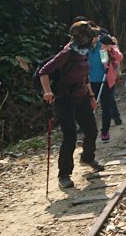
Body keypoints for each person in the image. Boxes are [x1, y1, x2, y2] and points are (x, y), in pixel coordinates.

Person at [39, 21, 105, 189]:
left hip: (82, 97)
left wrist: (90, 95)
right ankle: (64, 174)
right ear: (84, 37)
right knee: (70, 137)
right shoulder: (67, 53)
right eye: (91, 35)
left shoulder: (84, 51)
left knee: (91, 131)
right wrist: (47, 91)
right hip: (65, 100)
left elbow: (85, 76)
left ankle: (88, 158)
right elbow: (44, 71)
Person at [89, 30, 123, 142]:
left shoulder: (104, 45)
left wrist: (110, 49)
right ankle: (88, 132)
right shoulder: (84, 48)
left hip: (105, 81)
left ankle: (105, 131)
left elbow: (118, 57)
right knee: (88, 107)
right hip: (89, 82)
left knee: (106, 106)